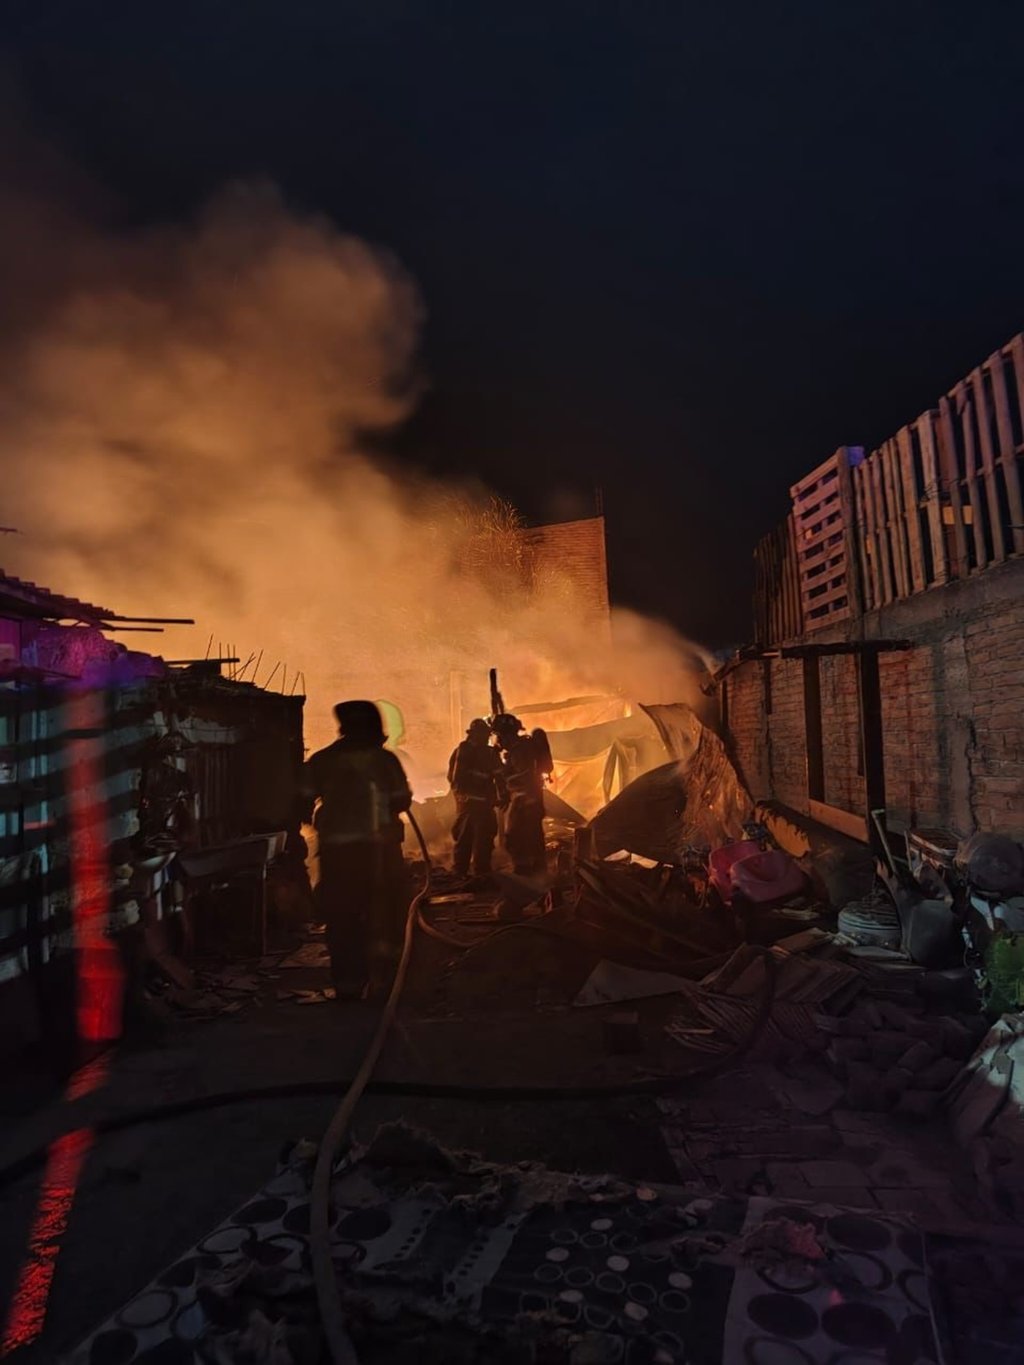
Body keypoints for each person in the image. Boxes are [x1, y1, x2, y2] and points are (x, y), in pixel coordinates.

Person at [297, 701, 412, 999]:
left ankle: (348, 985)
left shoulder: (323, 760)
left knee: (342, 916)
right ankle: (385, 981)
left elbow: (302, 800)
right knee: (385, 911)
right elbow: (401, 799)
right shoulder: (385, 761)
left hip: (338, 853)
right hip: (380, 850)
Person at [491, 714, 549, 877]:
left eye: (499, 735)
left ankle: (524, 872)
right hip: (530, 800)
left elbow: (525, 775)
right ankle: (539, 872)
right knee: (533, 837)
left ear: (505, 734)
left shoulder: (520, 750)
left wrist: (503, 773)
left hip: (525, 800)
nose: (498, 740)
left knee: (514, 837)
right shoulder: (522, 747)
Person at [447, 718, 503, 883]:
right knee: (466, 839)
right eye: (483, 735)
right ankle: (461, 873)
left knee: (484, 840)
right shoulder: (464, 750)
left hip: (483, 804)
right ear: (474, 735)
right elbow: (456, 778)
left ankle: (480, 874)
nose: (485, 738)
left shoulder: (490, 753)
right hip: (470, 805)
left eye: (487, 735)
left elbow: (500, 775)